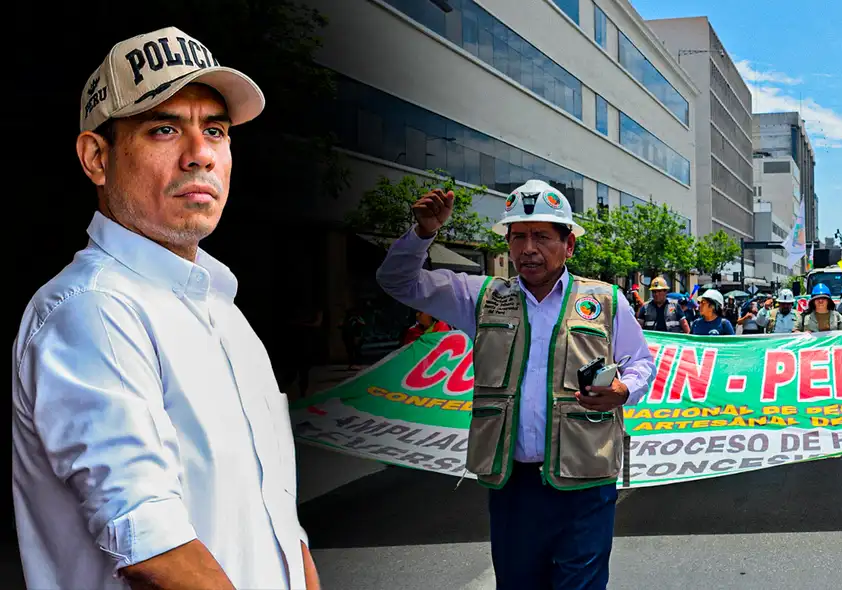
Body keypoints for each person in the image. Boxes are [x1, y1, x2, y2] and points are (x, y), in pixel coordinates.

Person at [11, 27, 318, 590]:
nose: (200, 154)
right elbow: (153, 548)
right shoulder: (95, 309)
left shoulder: (224, 312)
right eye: (163, 128)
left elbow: (280, 522)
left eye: (216, 130)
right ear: (96, 157)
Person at [376, 180, 654, 588]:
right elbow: (398, 282)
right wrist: (423, 234)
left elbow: (640, 363)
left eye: (542, 236)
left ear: (569, 245)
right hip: (513, 486)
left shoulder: (606, 301)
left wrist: (622, 391)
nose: (528, 249)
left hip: (587, 484)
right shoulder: (480, 297)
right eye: (518, 237)